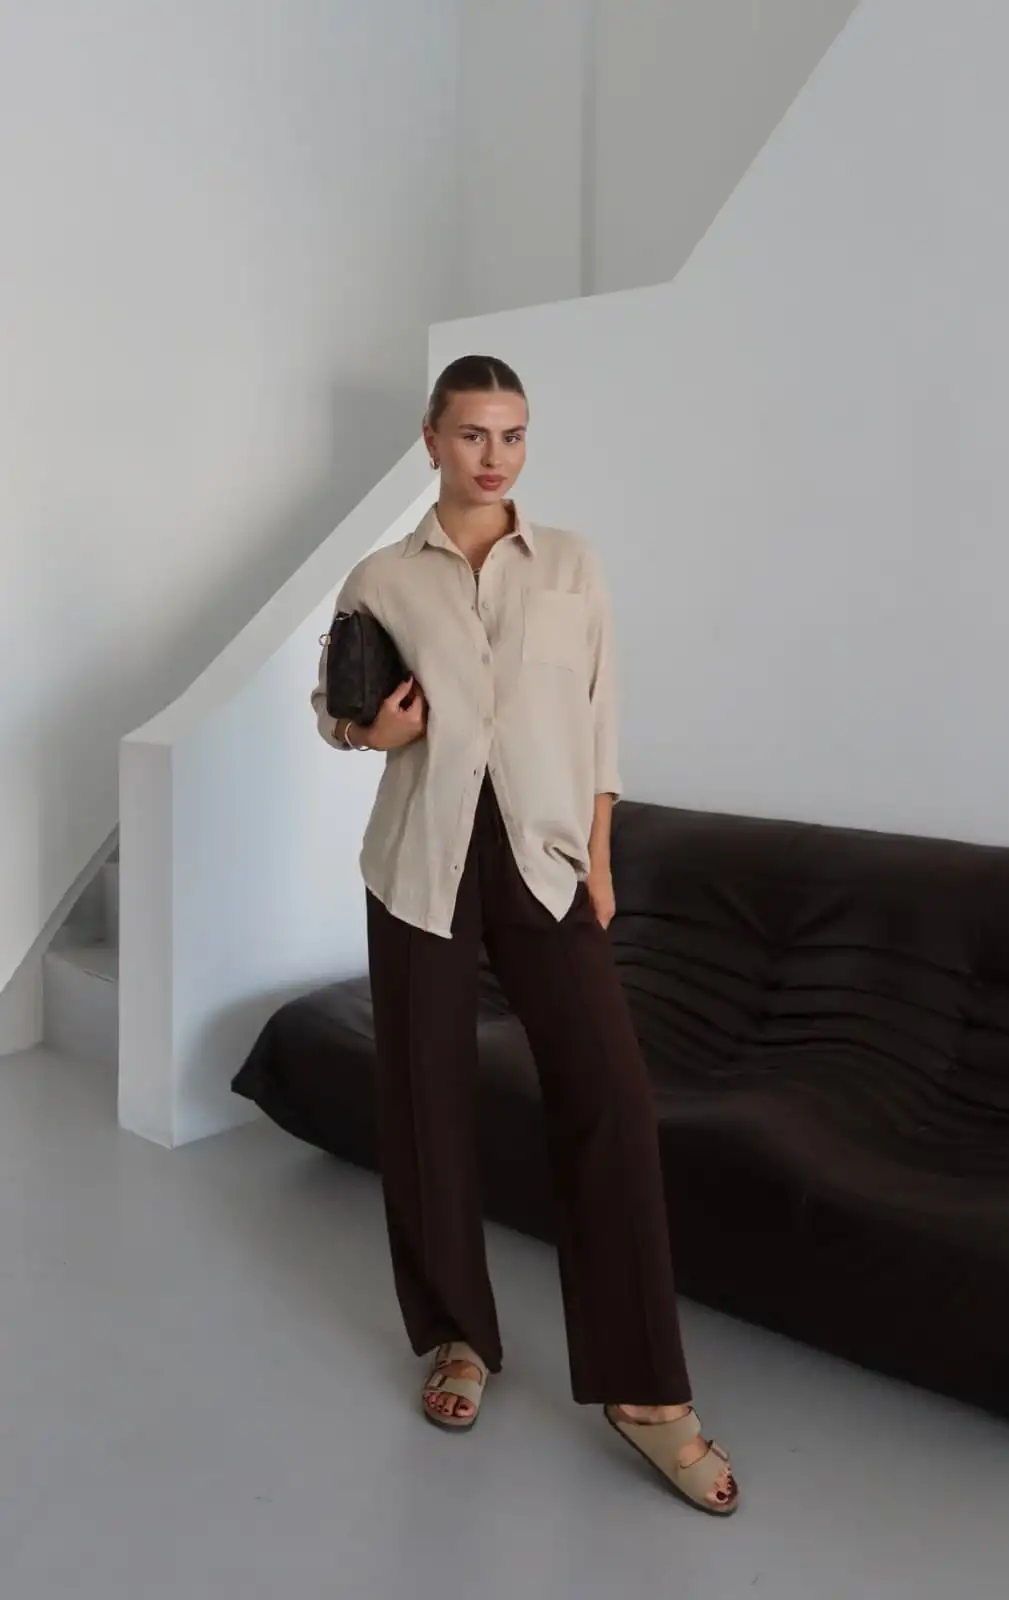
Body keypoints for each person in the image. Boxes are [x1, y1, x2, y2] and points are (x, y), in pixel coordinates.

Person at [312, 355, 738, 1516]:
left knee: (610, 1097)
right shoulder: (381, 575)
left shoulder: (570, 567)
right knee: (425, 1099)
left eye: (511, 434)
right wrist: (368, 732)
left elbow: (599, 719)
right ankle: (456, 1335)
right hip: (421, 860)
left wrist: (597, 857)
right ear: (431, 441)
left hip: (544, 858)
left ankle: (643, 1391)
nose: (493, 455)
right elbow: (333, 705)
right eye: (471, 434)